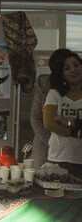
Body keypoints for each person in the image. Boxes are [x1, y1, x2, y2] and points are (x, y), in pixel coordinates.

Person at [43, 48, 82, 178]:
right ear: (62, 74)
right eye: (67, 68)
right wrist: (75, 132)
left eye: (76, 65)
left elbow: (57, 125)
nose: (73, 70)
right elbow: (50, 124)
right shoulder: (54, 94)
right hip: (59, 159)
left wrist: (68, 122)